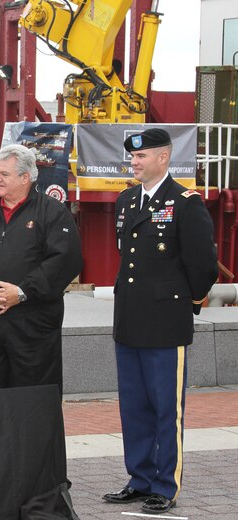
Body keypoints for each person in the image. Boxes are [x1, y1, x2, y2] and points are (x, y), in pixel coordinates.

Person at [102, 128, 218, 514]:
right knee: (134, 406)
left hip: (166, 321)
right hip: (130, 318)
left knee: (166, 408)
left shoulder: (185, 202)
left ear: (163, 158)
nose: (133, 163)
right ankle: (140, 479)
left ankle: (165, 486)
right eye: (132, 157)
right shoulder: (126, 200)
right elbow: (126, 255)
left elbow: (202, 264)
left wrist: (189, 300)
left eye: (141, 157)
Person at [0, 144, 83, 396]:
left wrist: (22, 292)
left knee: (35, 401)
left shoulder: (53, 213)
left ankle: (35, 438)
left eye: (4, 174)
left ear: (25, 178)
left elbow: (65, 261)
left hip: (34, 327)